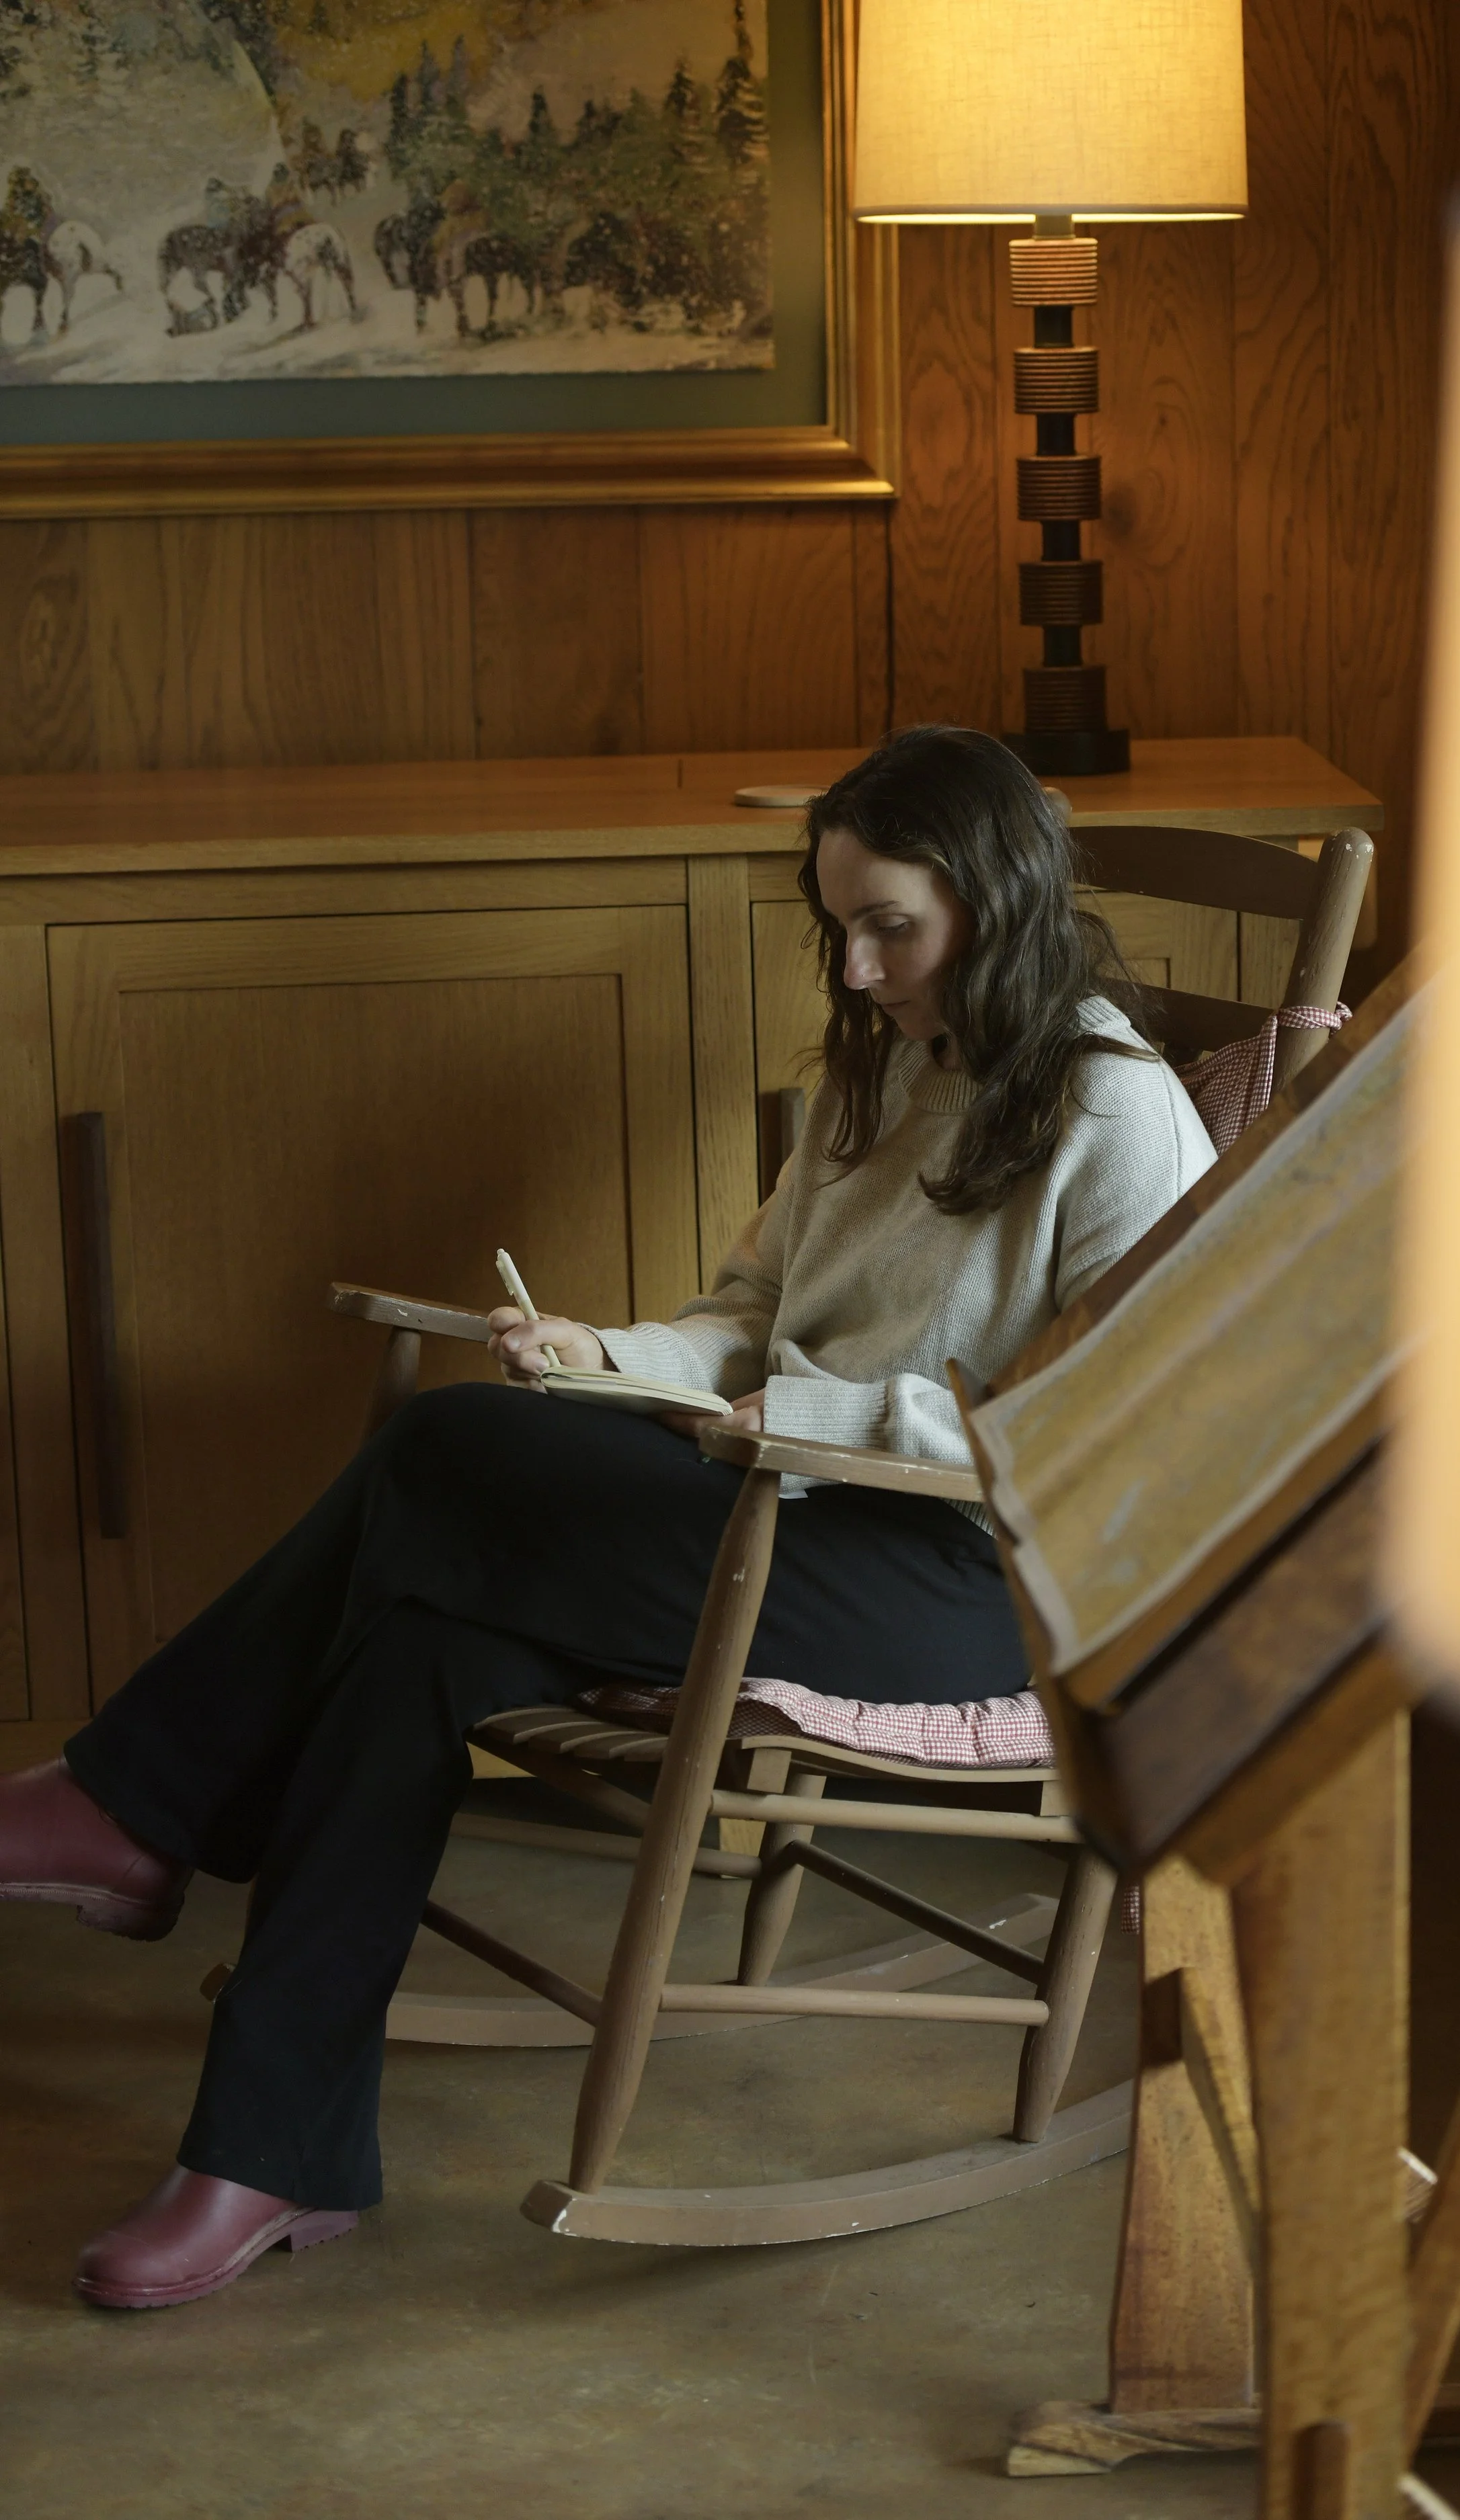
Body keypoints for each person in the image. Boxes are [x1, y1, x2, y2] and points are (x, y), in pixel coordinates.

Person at [0, 725, 1217, 2311]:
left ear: (998, 902)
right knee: (419, 1639)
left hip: (972, 1586)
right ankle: (265, 2150)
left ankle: (134, 1805)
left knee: (443, 1450)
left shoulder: (1119, 1115)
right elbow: (751, 1314)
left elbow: (1127, 1438)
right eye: (840, 930)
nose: (857, 972)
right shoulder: (890, 1073)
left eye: (890, 929)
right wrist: (608, 1356)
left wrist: (823, 1420)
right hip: (793, 1511)